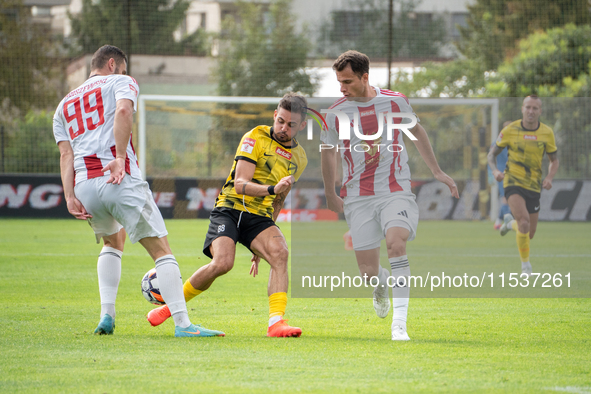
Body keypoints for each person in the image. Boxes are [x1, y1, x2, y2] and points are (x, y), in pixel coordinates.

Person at [53, 45, 224, 337]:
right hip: (118, 178)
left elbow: (66, 155)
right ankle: (183, 325)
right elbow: (122, 109)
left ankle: (107, 315)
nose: (123, 72)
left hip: (84, 186)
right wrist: (119, 157)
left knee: (112, 242)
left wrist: (69, 196)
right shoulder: (122, 81)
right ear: (112, 64)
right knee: (162, 251)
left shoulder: (63, 105)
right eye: (121, 67)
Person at [321, 50, 459, 341]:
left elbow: (417, 132)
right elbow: (328, 152)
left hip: (395, 190)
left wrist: (436, 171)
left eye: (347, 81)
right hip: (358, 197)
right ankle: (380, 283)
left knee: (397, 244)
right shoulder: (335, 113)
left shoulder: (395, 102)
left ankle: (400, 324)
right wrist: (330, 193)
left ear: (365, 77)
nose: (342, 88)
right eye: (339, 82)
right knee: (368, 272)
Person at [147, 93, 308, 337]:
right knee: (223, 263)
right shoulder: (255, 137)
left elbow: (279, 199)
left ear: (302, 126)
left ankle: (276, 323)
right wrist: (272, 188)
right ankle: (170, 308)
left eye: (291, 125)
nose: (283, 128)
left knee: (280, 253)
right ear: (275, 115)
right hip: (230, 208)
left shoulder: (300, 158)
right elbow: (240, 184)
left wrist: (262, 244)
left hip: (260, 217)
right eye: (281, 121)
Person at [488, 95, 559, 276]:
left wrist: (550, 177)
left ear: (540, 111)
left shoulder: (547, 132)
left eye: (535, 108)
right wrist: (495, 171)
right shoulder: (510, 130)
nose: (531, 111)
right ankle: (526, 267)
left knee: (529, 232)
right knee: (525, 222)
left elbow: (554, 160)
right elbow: (491, 155)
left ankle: (509, 223)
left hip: (534, 185)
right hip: (513, 181)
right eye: (528, 107)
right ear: (522, 109)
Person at [490, 121, 512, 230]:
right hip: (501, 173)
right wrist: (492, 173)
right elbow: (490, 158)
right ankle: (509, 223)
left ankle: (498, 222)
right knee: (505, 197)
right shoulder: (497, 142)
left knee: (509, 197)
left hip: (514, 173)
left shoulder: (515, 142)